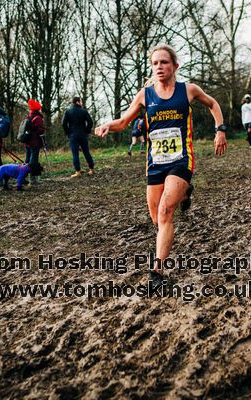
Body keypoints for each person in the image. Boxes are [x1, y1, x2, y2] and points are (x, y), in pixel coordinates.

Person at [94, 44, 227, 284]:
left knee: (166, 212)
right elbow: (124, 121)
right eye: (155, 63)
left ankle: (156, 273)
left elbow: (213, 104)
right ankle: (184, 193)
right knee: (157, 219)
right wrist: (107, 125)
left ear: (175, 66)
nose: (159, 67)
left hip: (180, 160)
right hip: (155, 163)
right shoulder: (146, 94)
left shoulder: (188, 90)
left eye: (164, 62)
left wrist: (220, 130)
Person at [63, 96, 95, 177]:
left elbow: (63, 124)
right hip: (83, 134)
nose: (82, 103)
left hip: (73, 135)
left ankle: (78, 171)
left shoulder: (68, 111)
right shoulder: (84, 111)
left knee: (75, 154)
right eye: (81, 101)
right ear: (77, 102)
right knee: (86, 152)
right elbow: (90, 122)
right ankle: (91, 169)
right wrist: (87, 131)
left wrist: (68, 132)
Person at [23, 99, 45, 184]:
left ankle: (23, 176)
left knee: (27, 159)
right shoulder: (38, 117)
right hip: (35, 141)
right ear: (38, 109)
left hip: (27, 141)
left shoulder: (28, 116)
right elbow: (40, 131)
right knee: (33, 160)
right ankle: (32, 178)